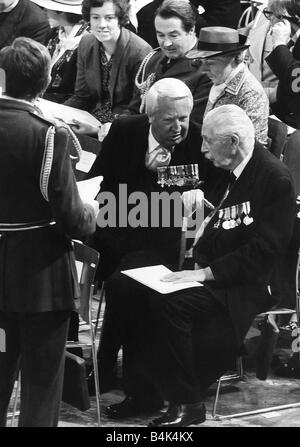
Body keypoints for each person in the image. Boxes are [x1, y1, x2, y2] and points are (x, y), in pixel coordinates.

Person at [107, 104, 295, 427]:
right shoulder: (225, 166)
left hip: (241, 284)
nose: (203, 149)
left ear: (233, 142)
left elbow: (265, 252)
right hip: (206, 268)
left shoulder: (274, 179)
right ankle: (143, 391)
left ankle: (188, 402)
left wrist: (204, 273)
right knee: (126, 285)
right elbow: (193, 199)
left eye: (208, 142)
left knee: (168, 303)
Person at [88, 78, 226, 417]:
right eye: (170, 120)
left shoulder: (198, 138)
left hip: (174, 246)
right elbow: (99, 185)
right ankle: (114, 371)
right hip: (120, 234)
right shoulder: (125, 131)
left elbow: (215, 195)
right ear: (150, 115)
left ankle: (117, 374)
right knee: (126, 274)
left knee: (129, 283)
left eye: (183, 117)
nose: (179, 127)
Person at [0, 37, 97, 427]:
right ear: (44, 83)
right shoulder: (48, 134)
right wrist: (91, 211)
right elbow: (72, 218)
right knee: (41, 381)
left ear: (4, 77)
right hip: (41, 280)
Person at [65, 0, 151, 141]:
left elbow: (136, 111)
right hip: (89, 119)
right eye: (96, 17)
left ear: (120, 19)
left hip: (121, 129)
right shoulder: (86, 43)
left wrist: (98, 129)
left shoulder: (140, 52)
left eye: (109, 18)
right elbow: (81, 96)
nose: (102, 24)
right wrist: (56, 115)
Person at [186, 26, 270, 146]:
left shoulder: (251, 94)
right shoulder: (219, 79)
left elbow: (253, 148)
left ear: (235, 58)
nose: (203, 70)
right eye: (201, 62)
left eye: (210, 63)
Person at [132, 0, 212, 125]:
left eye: (173, 35)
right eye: (161, 35)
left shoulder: (207, 69)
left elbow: (192, 124)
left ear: (191, 29)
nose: (166, 43)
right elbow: (134, 109)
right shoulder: (152, 60)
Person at [31, 0, 89, 104]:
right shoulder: (53, 34)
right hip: (41, 98)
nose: (44, 11)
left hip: (68, 104)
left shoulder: (88, 41)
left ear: (61, 12)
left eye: (48, 8)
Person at [137, 0, 242, 48]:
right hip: (161, 59)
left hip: (204, 61)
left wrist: (186, 6)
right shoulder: (148, 11)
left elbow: (220, 38)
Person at [264, 0, 300, 128]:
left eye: (271, 14)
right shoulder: (295, 41)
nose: (269, 20)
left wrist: (279, 45)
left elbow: (297, 82)